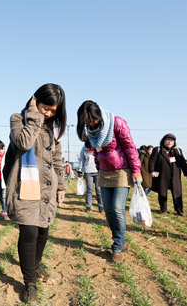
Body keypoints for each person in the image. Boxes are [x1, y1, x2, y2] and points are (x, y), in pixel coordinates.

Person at [5, 83, 66, 305]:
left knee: (43, 233)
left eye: (52, 111)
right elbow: (24, 142)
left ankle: (35, 263)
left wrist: (61, 187)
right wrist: (34, 116)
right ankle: (29, 282)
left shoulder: (54, 128)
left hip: (47, 187)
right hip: (25, 185)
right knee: (29, 233)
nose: (48, 114)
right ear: (35, 101)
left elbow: (57, 160)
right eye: (45, 108)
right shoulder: (18, 119)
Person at [77, 100, 141, 263]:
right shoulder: (91, 131)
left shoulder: (117, 123)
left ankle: (117, 246)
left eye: (93, 120)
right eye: (87, 122)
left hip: (121, 170)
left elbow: (130, 147)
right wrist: (98, 167)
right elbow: (96, 153)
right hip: (104, 172)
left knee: (117, 208)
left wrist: (136, 170)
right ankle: (120, 240)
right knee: (109, 210)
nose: (91, 124)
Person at [149, 134, 187, 216]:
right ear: (163, 141)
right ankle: (163, 209)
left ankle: (179, 210)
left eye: (171, 141)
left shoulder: (178, 151)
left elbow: (183, 163)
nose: (169, 142)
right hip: (162, 176)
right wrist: (151, 171)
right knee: (162, 193)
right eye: (167, 140)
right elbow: (152, 161)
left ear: (174, 142)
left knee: (177, 193)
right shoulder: (157, 149)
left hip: (175, 176)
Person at [79, 139, 104, 213]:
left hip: (98, 171)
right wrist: (80, 169)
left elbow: (102, 157)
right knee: (89, 190)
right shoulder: (84, 148)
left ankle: (101, 206)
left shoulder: (98, 147)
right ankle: (88, 206)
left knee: (98, 190)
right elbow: (82, 159)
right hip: (88, 171)